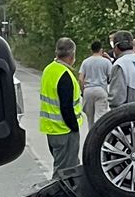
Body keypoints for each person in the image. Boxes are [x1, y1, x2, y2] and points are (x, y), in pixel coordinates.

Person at [37, 39, 81, 177]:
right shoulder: (65, 75)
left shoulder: (49, 69)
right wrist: (74, 126)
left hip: (51, 129)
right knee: (65, 171)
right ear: (72, 55)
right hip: (65, 130)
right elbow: (66, 107)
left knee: (63, 166)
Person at [79, 39, 115, 129]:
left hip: (88, 90)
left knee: (89, 119)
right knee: (100, 118)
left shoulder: (85, 62)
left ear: (91, 50)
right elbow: (111, 77)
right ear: (101, 50)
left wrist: (83, 91)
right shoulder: (106, 62)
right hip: (101, 90)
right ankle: (99, 139)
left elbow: (80, 78)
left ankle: (91, 139)